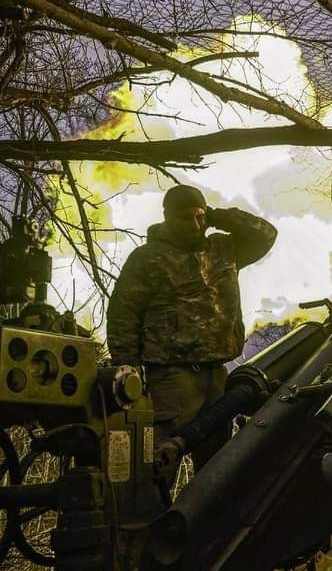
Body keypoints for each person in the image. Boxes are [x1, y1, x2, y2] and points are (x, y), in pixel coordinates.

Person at [107, 185, 277, 485]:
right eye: (187, 218)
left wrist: (218, 216)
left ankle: (205, 530)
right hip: (171, 378)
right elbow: (124, 314)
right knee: (157, 465)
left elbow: (265, 234)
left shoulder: (224, 249)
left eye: (201, 217)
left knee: (216, 471)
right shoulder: (148, 258)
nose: (196, 225)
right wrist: (128, 368)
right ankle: (150, 528)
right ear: (168, 219)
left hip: (216, 375)